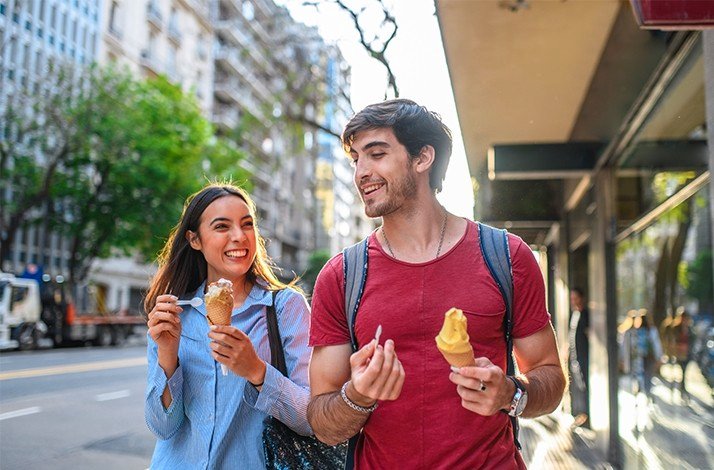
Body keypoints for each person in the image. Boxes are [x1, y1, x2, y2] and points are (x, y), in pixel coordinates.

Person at [307, 99, 566, 469]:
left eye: (376, 154)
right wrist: (357, 396)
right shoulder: (341, 276)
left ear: (423, 157)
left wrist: (511, 393)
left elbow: (550, 377)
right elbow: (323, 423)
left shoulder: (507, 257)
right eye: (355, 160)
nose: (361, 172)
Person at [144, 183, 312, 469]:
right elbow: (162, 428)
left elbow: (311, 417)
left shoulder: (284, 308)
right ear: (194, 239)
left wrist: (257, 371)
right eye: (222, 227)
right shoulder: (173, 314)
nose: (239, 237)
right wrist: (167, 356)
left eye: (247, 225)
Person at [568, 287, 590, 427]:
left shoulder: (586, 315)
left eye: (575, 298)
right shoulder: (575, 314)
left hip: (585, 358)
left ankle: (586, 416)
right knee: (578, 387)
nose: (573, 301)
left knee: (585, 387)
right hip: (575, 358)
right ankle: (580, 414)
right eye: (571, 298)